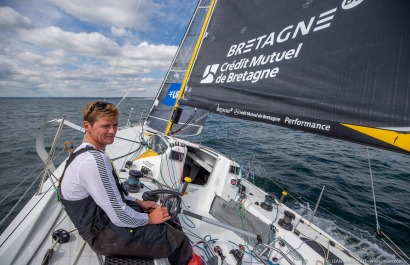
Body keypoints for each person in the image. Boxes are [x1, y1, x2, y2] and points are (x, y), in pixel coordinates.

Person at [59, 100, 203, 265]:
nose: (112, 131)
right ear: (87, 126)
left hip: (102, 220)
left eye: (115, 125)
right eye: (105, 126)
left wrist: (139, 202)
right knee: (178, 239)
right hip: (103, 236)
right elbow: (119, 215)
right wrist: (149, 219)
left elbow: (110, 193)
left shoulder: (85, 153)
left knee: (168, 217)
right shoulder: (92, 161)